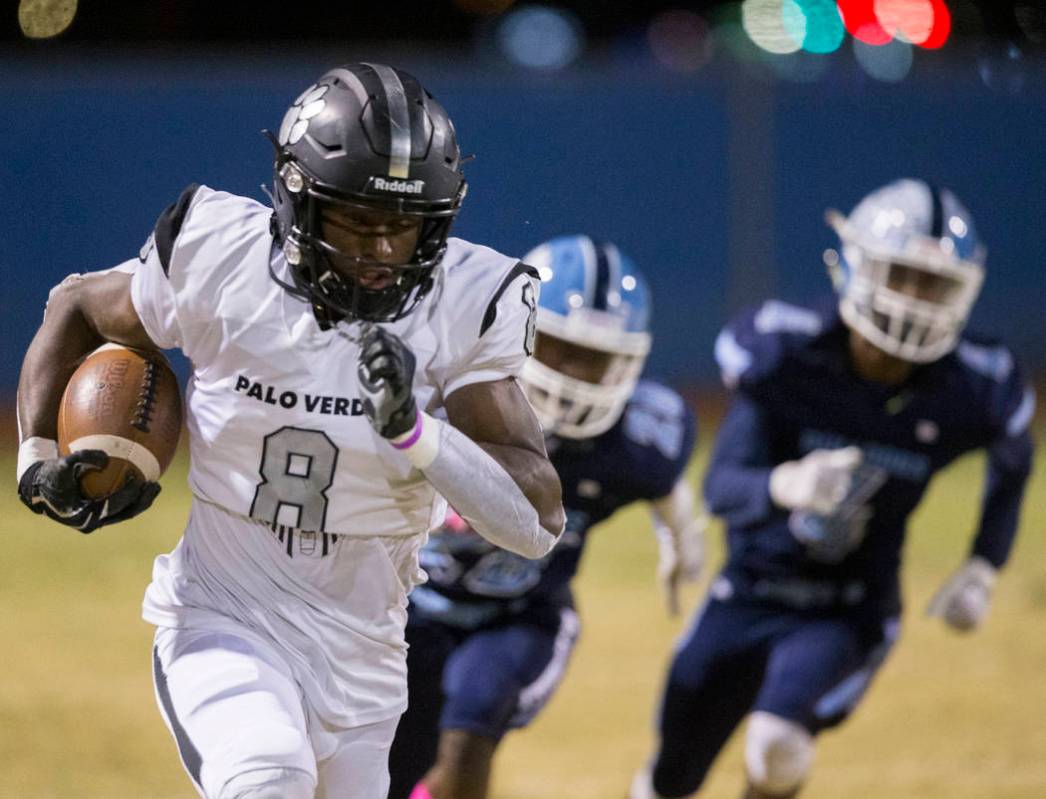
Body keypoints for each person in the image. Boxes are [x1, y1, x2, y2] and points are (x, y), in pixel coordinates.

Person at [16, 63, 564, 799]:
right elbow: (79, 304)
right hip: (224, 617)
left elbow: (535, 522)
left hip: (367, 659)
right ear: (297, 199)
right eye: (356, 221)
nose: (378, 251)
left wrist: (417, 434)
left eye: (402, 228)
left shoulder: (467, 305)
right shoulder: (222, 260)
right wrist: (35, 455)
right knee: (267, 775)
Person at [630, 179, 1036, 799]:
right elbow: (722, 488)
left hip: (850, 608)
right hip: (747, 592)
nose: (913, 300)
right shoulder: (786, 352)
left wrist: (984, 564)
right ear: (856, 265)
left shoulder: (971, 386)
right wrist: (784, 483)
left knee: (778, 746)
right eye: (900, 275)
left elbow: (1013, 456)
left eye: (933, 284)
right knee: (670, 776)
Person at [387, 235, 706, 799]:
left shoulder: (633, 442)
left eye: (596, 359)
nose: (575, 375)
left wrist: (681, 535)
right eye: (560, 349)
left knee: (469, 735)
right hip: (409, 606)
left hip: (520, 614)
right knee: (379, 760)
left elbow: (662, 483)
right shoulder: (448, 393)